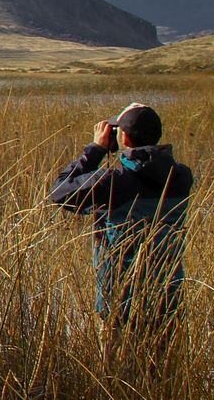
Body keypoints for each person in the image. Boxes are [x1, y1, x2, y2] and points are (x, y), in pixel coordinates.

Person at [48, 102, 194, 332]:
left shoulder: (113, 182)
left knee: (117, 366)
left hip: (121, 302)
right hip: (168, 297)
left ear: (123, 138)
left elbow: (60, 193)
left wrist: (96, 149)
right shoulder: (181, 177)